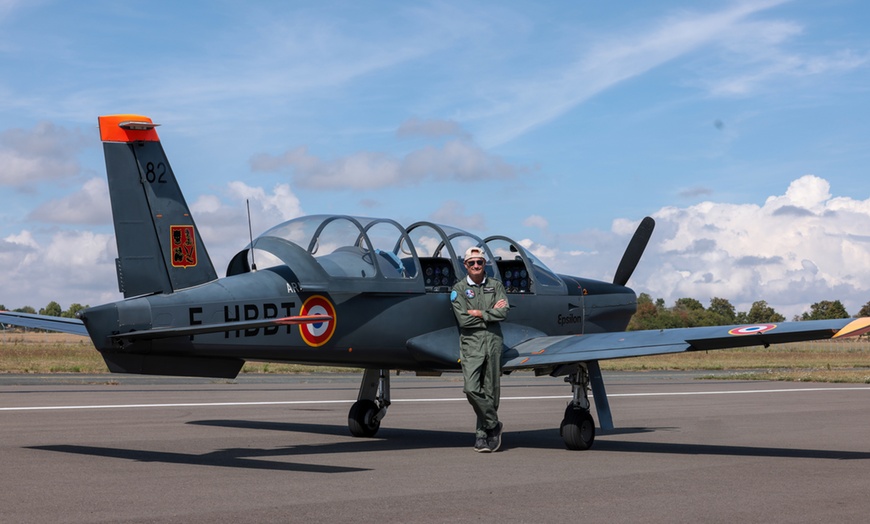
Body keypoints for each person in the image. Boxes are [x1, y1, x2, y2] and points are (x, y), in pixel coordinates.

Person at [451, 246, 509, 452]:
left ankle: (482, 437)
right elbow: (463, 319)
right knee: (471, 388)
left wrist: (479, 313)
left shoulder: (496, 285)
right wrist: (489, 313)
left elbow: (503, 312)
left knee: (491, 391)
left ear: (485, 264)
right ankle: (494, 424)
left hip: (493, 343)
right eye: (471, 263)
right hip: (471, 345)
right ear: (465, 266)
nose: (476, 265)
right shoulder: (458, 289)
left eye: (480, 262)